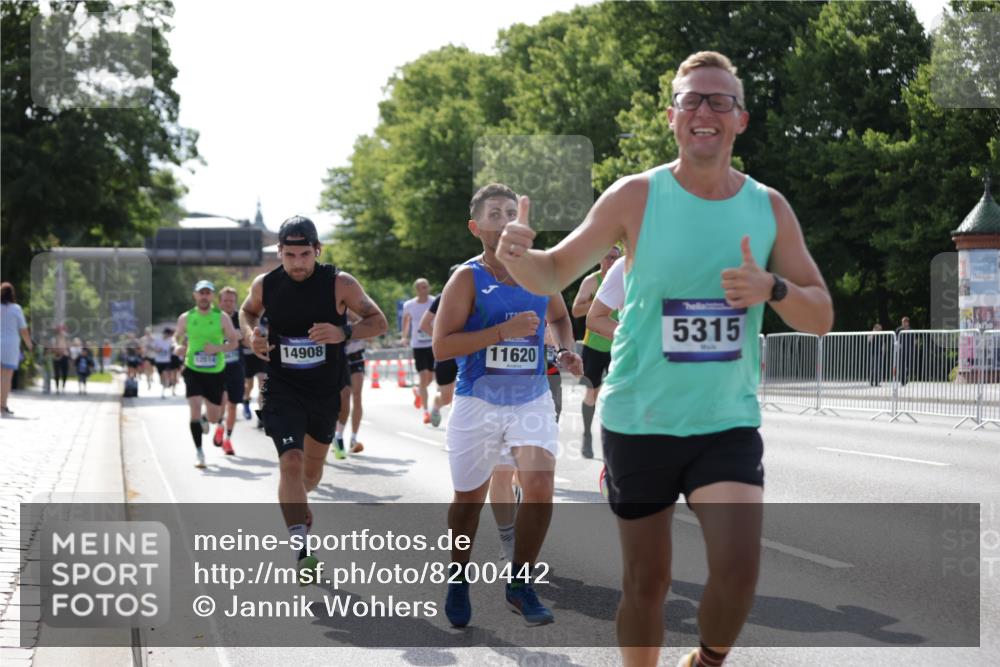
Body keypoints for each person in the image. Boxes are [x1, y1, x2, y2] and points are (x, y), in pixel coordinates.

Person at [496, 52, 833, 667]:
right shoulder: (636, 196)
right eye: (692, 101)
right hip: (639, 418)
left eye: (719, 101)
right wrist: (519, 254)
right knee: (647, 585)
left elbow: (821, 314)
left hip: (724, 420)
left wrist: (774, 290)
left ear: (740, 119)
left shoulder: (769, 207)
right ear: (672, 117)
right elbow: (553, 269)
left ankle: (705, 661)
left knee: (737, 572)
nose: (704, 111)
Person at [433, 183, 583, 629]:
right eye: (493, 213)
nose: (503, 219)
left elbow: (558, 316)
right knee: (468, 500)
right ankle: (458, 577)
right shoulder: (467, 277)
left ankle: (520, 584)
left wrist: (563, 350)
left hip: (531, 396)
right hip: (478, 399)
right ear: (476, 227)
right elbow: (442, 345)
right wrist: (503, 331)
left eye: (510, 212)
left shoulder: (540, 271)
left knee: (539, 485)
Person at [240, 215, 387, 579]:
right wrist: (250, 336)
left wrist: (344, 331)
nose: (297, 263)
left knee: (311, 475)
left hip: (324, 392)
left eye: (305, 254)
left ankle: (300, 503)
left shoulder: (340, 283)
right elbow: (247, 313)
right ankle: (302, 550)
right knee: (289, 461)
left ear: (317, 251)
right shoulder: (266, 284)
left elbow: (379, 321)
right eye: (289, 255)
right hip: (281, 387)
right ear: (280, 253)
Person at [173, 280, 241, 469]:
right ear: (195, 295)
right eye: (201, 293)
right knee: (193, 407)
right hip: (193, 369)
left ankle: (206, 418)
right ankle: (199, 453)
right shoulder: (186, 317)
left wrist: (217, 348)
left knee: (213, 417)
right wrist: (177, 346)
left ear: (212, 296)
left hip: (215, 372)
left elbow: (234, 343)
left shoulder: (222, 318)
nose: (204, 296)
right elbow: (176, 336)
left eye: (207, 293)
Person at [571, 245, 622, 458]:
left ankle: (610, 438)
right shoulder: (592, 281)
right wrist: (600, 299)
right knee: (592, 391)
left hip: (619, 345)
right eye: (607, 257)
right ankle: (586, 435)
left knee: (613, 394)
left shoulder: (626, 275)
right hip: (594, 345)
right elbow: (575, 310)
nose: (610, 261)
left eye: (614, 257)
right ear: (599, 259)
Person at [418, 265, 462, 428]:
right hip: (446, 354)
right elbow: (424, 324)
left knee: (463, 394)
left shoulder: (474, 296)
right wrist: (441, 339)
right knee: (447, 397)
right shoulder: (442, 298)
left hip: (466, 352)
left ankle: (458, 429)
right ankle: (436, 404)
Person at [401, 278, 436, 423]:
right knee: (424, 376)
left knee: (431, 378)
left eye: (426, 287)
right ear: (417, 289)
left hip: (433, 343)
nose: (425, 289)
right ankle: (426, 412)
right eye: (422, 287)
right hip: (418, 345)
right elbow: (406, 321)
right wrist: (404, 337)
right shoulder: (409, 305)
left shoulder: (434, 302)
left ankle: (418, 391)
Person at [216, 286, 245, 455]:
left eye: (232, 301)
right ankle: (219, 424)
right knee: (221, 399)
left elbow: (246, 335)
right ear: (220, 302)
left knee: (233, 406)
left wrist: (240, 334)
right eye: (225, 301)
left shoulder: (241, 317)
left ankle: (227, 439)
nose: (229, 304)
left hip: (236, 366)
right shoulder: (213, 318)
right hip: (217, 367)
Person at [1, 282, 33, 416]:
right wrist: (29, 344)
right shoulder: (16, 309)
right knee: (7, 378)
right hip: (11, 345)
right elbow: (23, 330)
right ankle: (3, 406)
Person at [242, 313, 269, 428]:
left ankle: (261, 415)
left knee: (262, 385)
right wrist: (251, 340)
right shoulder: (246, 313)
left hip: (261, 357)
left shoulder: (267, 315)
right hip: (247, 357)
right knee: (249, 386)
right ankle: (246, 401)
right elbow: (242, 338)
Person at [151, 327, 175, 398]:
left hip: (167, 360)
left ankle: (164, 391)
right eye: (168, 334)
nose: (168, 336)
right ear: (165, 333)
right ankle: (163, 386)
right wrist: (157, 349)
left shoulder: (170, 340)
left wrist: (172, 349)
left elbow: (173, 347)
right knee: (161, 377)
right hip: (159, 361)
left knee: (165, 374)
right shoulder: (157, 339)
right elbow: (152, 347)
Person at [51, 325, 69, 394]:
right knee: (57, 373)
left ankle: (63, 387)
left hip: (64, 357)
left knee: (65, 373)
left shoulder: (66, 339)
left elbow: (68, 348)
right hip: (57, 357)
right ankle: (57, 388)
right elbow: (53, 348)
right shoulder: (54, 339)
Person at [895, 315, 912, 386]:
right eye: (902, 322)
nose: (904, 323)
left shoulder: (911, 330)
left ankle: (907, 377)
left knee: (908, 365)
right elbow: (895, 339)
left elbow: (913, 340)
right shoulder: (899, 330)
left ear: (907, 323)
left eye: (905, 322)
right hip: (901, 350)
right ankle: (902, 381)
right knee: (901, 366)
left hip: (909, 350)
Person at [867, 323, 885, 387]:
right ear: (875, 328)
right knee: (873, 367)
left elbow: (883, 343)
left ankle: (877, 382)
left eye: (880, 329)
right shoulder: (871, 334)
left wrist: (883, 351)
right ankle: (871, 381)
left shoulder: (881, 335)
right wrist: (873, 333)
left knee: (878, 368)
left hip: (879, 353)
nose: (880, 330)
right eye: (879, 329)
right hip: (873, 353)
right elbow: (869, 340)